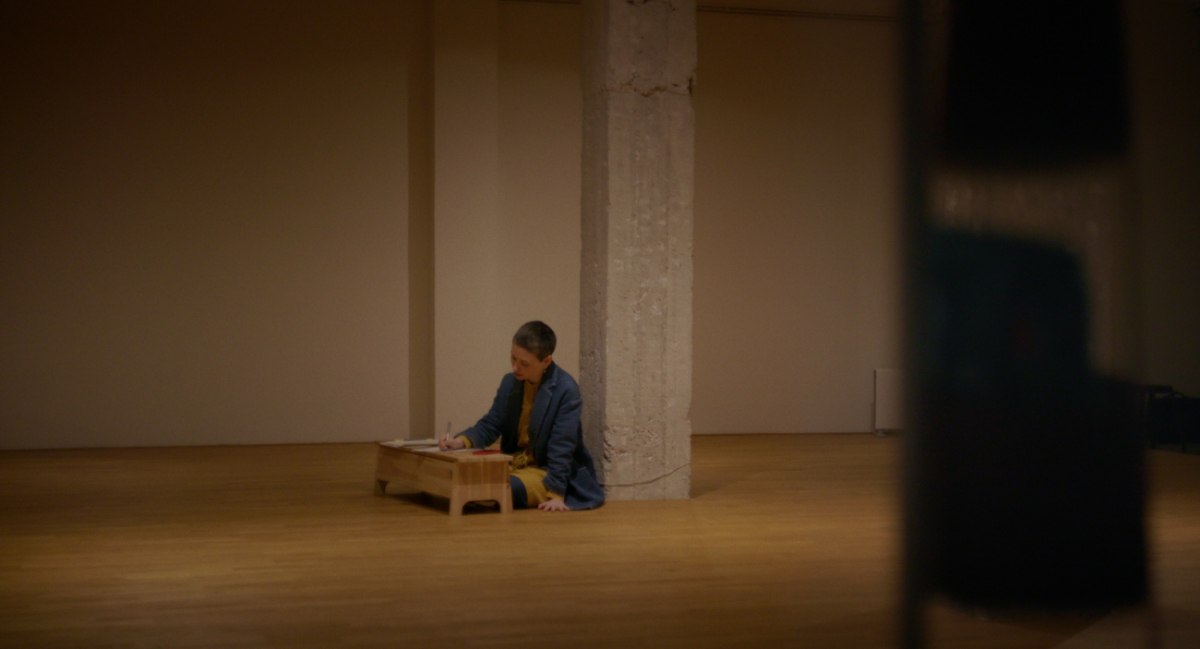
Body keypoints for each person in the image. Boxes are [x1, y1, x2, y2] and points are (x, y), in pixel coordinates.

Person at [439, 321, 605, 512]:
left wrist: (556, 494)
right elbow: (491, 423)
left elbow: (562, 445)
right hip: (513, 463)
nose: (515, 367)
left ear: (546, 361)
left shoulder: (566, 390)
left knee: (497, 489)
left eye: (524, 363)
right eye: (513, 358)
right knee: (465, 480)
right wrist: (460, 442)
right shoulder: (510, 382)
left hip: (545, 471)